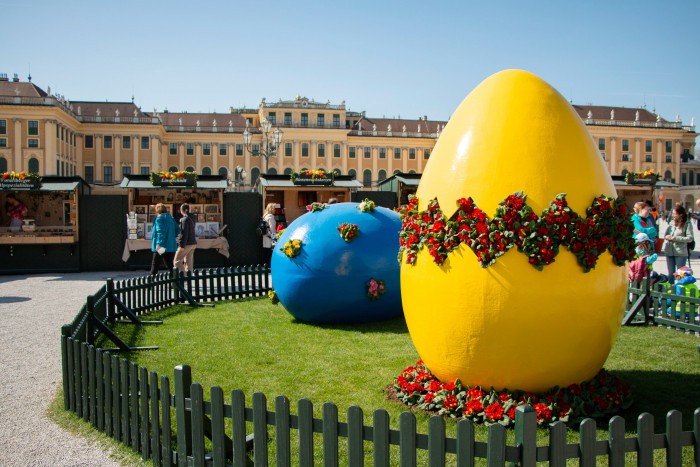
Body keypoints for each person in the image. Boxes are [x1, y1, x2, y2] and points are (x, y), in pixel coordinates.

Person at [663, 204, 694, 283]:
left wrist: (675, 238)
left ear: (680, 214)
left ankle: (679, 291)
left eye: (674, 214)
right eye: (672, 214)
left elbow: (690, 238)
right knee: (670, 274)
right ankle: (670, 292)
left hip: (680, 252)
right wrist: (667, 237)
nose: (673, 215)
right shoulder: (671, 222)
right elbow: (666, 234)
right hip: (669, 251)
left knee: (680, 274)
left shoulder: (687, 223)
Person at [150, 203, 179, 275]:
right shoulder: (171, 218)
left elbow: (160, 232)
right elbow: (177, 230)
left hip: (161, 246)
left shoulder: (159, 218)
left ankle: (150, 283)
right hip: (170, 246)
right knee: (170, 265)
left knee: (155, 265)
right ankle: (177, 283)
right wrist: (171, 237)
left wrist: (159, 244)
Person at [173, 203, 197, 275]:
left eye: (181, 210)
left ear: (185, 210)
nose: (180, 211)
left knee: (177, 261)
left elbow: (184, 233)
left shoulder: (184, 219)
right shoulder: (193, 218)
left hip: (186, 243)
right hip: (193, 242)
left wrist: (181, 245)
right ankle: (189, 278)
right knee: (188, 263)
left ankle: (183, 276)